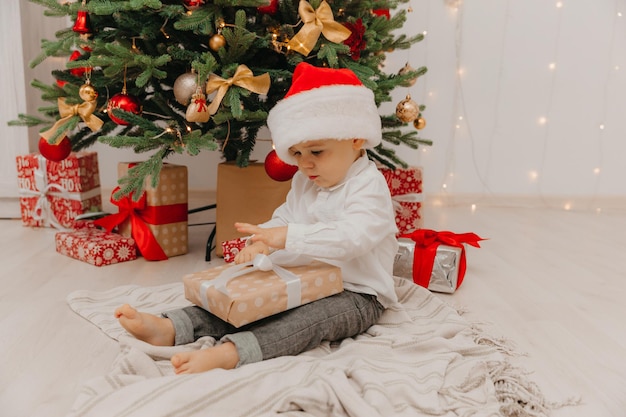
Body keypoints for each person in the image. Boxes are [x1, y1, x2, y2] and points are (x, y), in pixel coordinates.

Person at [114, 62, 399, 374]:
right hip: (307, 276)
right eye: (297, 154)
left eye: (316, 152)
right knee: (250, 296)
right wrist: (264, 240)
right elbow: (286, 216)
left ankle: (232, 353)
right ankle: (172, 327)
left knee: (303, 320)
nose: (305, 164)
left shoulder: (368, 187)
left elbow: (352, 239)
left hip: (357, 294)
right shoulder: (307, 180)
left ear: (356, 137)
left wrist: (286, 237)